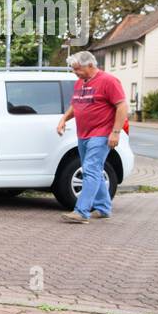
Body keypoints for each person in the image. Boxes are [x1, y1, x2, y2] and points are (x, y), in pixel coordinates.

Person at [56, 50, 128, 223]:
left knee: (90, 169)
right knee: (94, 170)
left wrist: (115, 132)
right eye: (74, 69)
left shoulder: (108, 81)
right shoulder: (80, 83)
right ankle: (103, 207)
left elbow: (122, 106)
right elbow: (76, 104)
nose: (75, 72)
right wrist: (64, 119)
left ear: (90, 65)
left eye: (78, 69)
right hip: (83, 134)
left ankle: (81, 211)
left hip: (101, 134)